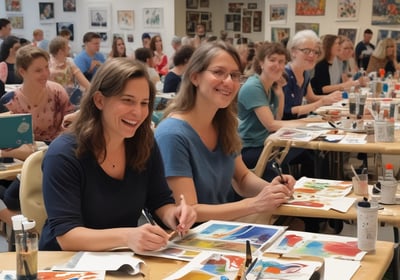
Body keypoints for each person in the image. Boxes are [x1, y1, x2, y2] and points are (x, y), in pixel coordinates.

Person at [39, 58, 196, 251]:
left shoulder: (144, 144)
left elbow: (160, 201)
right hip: (65, 264)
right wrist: (128, 236)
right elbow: (67, 236)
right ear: (99, 100)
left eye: (144, 103)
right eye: (127, 100)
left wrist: (174, 215)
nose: (138, 112)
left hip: (121, 258)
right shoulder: (63, 154)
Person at [155, 41, 295, 224]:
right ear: (195, 77)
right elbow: (190, 209)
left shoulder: (224, 124)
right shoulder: (172, 134)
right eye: (218, 72)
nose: (229, 81)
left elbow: (243, 179)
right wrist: (254, 204)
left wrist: (273, 190)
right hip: (191, 238)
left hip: (220, 229)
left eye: (235, 75)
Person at [0, 45, 74, 226]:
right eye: (38, 70)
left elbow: (71, 128)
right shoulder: (9, 102)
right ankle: (16, 222)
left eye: (47, 67)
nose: (45, 74)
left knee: (10, 198)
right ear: (22, 71)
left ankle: (14, 222)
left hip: (53, 162)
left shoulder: (58, 93)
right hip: (22, 166)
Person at [238, 42, 313, 181]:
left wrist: (280, 94)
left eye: (281, 62)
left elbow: (278, 117)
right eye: (272, 60)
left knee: (306, 152)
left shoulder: (271, 86)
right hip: (250, 148)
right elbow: (271, 125)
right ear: (261, 63)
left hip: (266, 143)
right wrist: (307, 124)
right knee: (287, 163)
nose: (277, 66)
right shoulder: (253, 86)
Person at [282, 30, 342, 121]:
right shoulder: (284, 74)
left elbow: (311, 98)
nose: (312, 55)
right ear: (293, 52)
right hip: (285, 126)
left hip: (298, 122)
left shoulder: (305, 73)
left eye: (315, 52)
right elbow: (287, 110)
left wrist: (332, 98)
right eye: (306, 51)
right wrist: (321, 102)